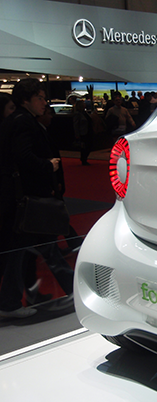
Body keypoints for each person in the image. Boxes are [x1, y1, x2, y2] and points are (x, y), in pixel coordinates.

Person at [0, 78, 74, 318]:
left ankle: (13, 301)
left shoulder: (16, 121)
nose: (44, 103)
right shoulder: (24, 122)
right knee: (35, 248)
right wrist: (48, 165)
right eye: (39, 98)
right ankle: (73, 290)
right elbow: (23, 157)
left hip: (22, 199)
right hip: (29, 199)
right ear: (26, 100)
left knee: (30, 249)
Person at [72, 99, 93, 165]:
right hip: (83, 132)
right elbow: (76, 125)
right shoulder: (77, 114)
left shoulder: (84, 112)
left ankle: (84, 158)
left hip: (88, 131)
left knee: (88, 145)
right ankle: (84, 158)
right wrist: (77, 134)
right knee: (84, 146)